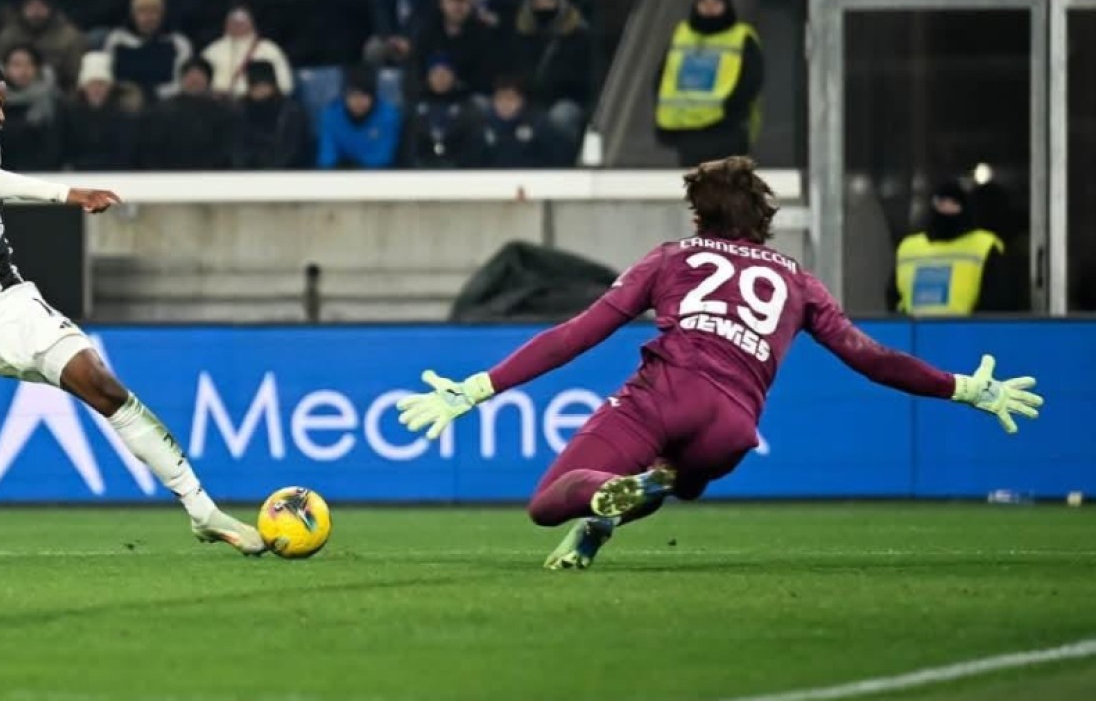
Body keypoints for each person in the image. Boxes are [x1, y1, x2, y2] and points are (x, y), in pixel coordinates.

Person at [396, 156, 1044, 570]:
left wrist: (477, 387)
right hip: (733, 426)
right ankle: (604, 522)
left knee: (546, 503)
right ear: (761, 215)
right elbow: (868, 357)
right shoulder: (798, 280)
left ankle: (598, 499)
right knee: (671, 477)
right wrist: (963, 387)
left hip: (666, 392)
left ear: (700, 214)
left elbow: (578, 334)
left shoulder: (671, 257)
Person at [0, 56, 265, 561]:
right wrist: (66, 193)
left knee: (102, 383)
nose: (0, 116)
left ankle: (203, 511)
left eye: (3, 106)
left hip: (6, 300)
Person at [654, 0, 764, 167]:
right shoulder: (682, 34)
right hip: (687, 130)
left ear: (727, 5)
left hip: (726, 129)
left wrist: (732, 110)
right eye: (704, 2)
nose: (709, 8)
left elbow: (751, 80)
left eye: (716, 2)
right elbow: (664, 76)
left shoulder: (741, 37)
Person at [888, 180, 1014, 316]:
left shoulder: (984, 246)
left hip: (967, 329)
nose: (947, 208)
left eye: (954, 203)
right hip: (914, 329)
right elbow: (893, 297)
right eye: (941, 203)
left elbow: (998, 301)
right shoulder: (909, 248)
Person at [513, 0, 593, 147]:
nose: (543, 6)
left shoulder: (578, 36)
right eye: (538, 1)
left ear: (561, 3)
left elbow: (583, 78)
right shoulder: (524, 36)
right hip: (529, 98)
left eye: (548, 0)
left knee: (560, 117)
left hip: (566, 99)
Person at [103, 0, 193, 102]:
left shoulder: (178, 42)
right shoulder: (117, 39)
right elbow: (107, 77)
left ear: (162, 14)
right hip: (124, 102)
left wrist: (151, 93)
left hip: (166, 103)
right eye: (142, 12)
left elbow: (181, 83)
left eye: (154, 12)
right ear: (133, 14)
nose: (148, 18)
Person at [137, 57, 232, 169]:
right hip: (168, 172)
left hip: (210, 174)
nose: (194, 80)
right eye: (190, 75)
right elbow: (150, 149)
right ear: (182, 79)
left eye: (200, 76)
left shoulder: (222, 113)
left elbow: (226, 150)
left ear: (208, 80)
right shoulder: (161, 110)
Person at [414, 0, 498, 96]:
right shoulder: (426, 32)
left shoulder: (484, 35)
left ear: (471, 4)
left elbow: (486, 79)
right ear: (441, 3)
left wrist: (454, 82)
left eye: (463, 0)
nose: (458, 6)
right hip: (428, 96)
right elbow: (415, 70)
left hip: (468, 97)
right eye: (453, 0)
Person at [0, 0, 90, 90]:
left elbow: (75, 78)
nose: (36, 12)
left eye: (41, 6)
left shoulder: (70, 37)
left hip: (56, 93)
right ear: (22, 8)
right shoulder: (8, 36)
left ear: (51, 8)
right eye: (31, 6)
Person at [60, 51, 138, 169]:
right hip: (78, 172)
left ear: (109, 87)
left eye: (101, 84)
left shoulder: (122, 114)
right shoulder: (69, 114)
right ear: (83, 87)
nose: (96, 89)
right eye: (92, 84)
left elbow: (124, 152)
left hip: (113, 172)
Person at [317, 66, 402, 169]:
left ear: (373, 96)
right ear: (344, 95)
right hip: (339, 174)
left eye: (364, 95)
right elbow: (327, 156)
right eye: (353, 95)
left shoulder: (389, 116)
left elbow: (384, 157)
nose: (358, 101)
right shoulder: (331, 115)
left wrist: (356, 169)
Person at [201, 6, 294, 99]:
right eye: (233, 22)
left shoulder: (269, 49)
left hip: (255, 102)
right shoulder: (212, 50)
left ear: (252, 24)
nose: (237, 25)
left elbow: (285, 85)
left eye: (241, 22)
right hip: (216, 101)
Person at [231, 60, 311, 169]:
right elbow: (236, 148)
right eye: (255, 85)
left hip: (283, 172)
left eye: (265, 84)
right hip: (247, 172)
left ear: (273, 85)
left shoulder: (291, 112)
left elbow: (292, 150)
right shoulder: (239, 110)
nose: (260, 89)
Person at [403, 55, 478, 168]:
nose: (440, 78)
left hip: (458, 170)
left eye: (445, 73)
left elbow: (472, 145)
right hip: (420, 169)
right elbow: (409, 144)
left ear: (453, 76)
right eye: (436, 73)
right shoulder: (415, 106)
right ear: (428, 76)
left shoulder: (467, 106)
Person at [469, 74, 558, 168]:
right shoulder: (481, 128)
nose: (505, 104)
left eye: (510, 98)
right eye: (500, 98)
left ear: (521, 100)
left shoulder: (538, 126)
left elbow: (555, 159)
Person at [0, 44, 62, 169]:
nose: (23, 71)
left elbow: (57, 146)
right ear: (6, 68)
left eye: (29, 64)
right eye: (16, 65)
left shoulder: (52, 103)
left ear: (38, 69)